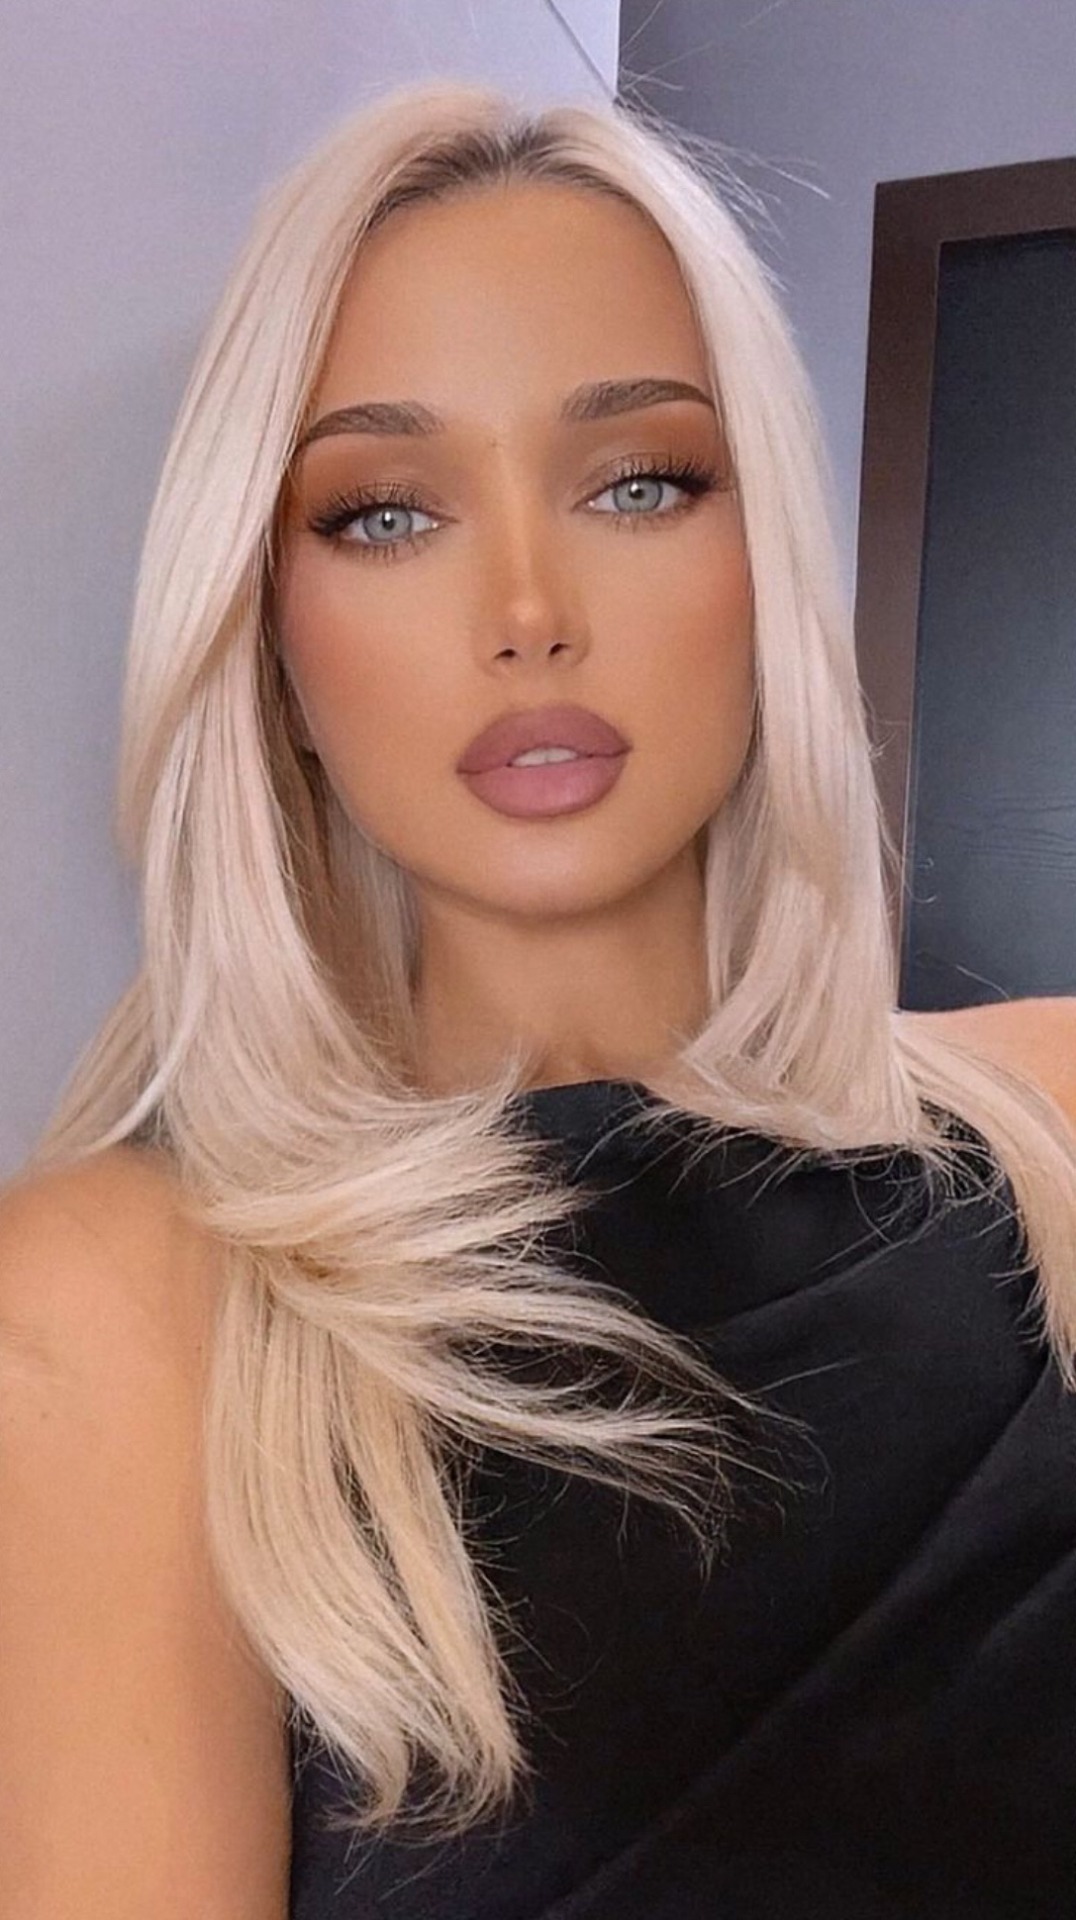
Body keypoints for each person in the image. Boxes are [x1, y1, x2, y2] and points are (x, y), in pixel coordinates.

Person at [3, 78, 1076, 1920]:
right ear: (265, 632)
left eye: (639, 483)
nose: (526, 609)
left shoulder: (1052, 1127)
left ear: (766, 554)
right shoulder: (124, 1312)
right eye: (384, 514)